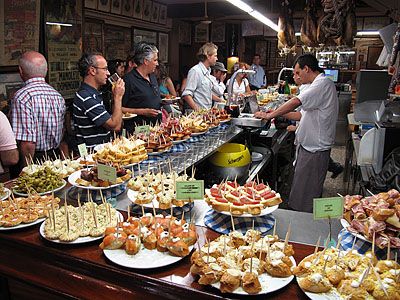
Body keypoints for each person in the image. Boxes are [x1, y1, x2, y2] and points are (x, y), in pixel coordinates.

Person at [255, 53, 338, 213]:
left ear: (307, 69)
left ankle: (303, 231)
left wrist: (269, 115)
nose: (295, 76)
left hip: (315, 150)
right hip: (309, 148)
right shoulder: (319, 84)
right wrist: (278, 112)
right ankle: (299, 223)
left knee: (306, 197)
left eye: (297, 72)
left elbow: (296, 102)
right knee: (302, 193)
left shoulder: (323, 83)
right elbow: (302, 115)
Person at [11, 51, 66, 166]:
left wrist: (27, 169)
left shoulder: (22, 97)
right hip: (54, 157)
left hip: (34, 158)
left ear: (21, 71)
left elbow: (28, 142)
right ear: (45, 71)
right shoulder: (57, 95)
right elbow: (62, 134)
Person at [73, 52, 125, 148]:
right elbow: (115, 126)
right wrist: (118, 97)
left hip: (102, 150)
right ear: (92, 71)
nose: (108, 73)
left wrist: (115, 97)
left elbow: (117, 122)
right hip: (92, 155)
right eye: (105, 69)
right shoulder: (85, 97)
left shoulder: (95, 94)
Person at [122, 42, 161, 133]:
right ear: (146, 61)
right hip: (137, 131)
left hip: (156, 129)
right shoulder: (128, 80)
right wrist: (143, 112)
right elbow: (118, 108)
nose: (157, 63)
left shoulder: (152, 76)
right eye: (155, 60)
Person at [182, 42, 224, 111]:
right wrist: (198, 110)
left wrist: (220, 100)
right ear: (208, 56)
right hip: (198, 115)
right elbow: (187, 94)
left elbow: (205, 93)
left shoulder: (208, 72)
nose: (217, 59)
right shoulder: (195, 71)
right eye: (215, 56)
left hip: (207, 112)